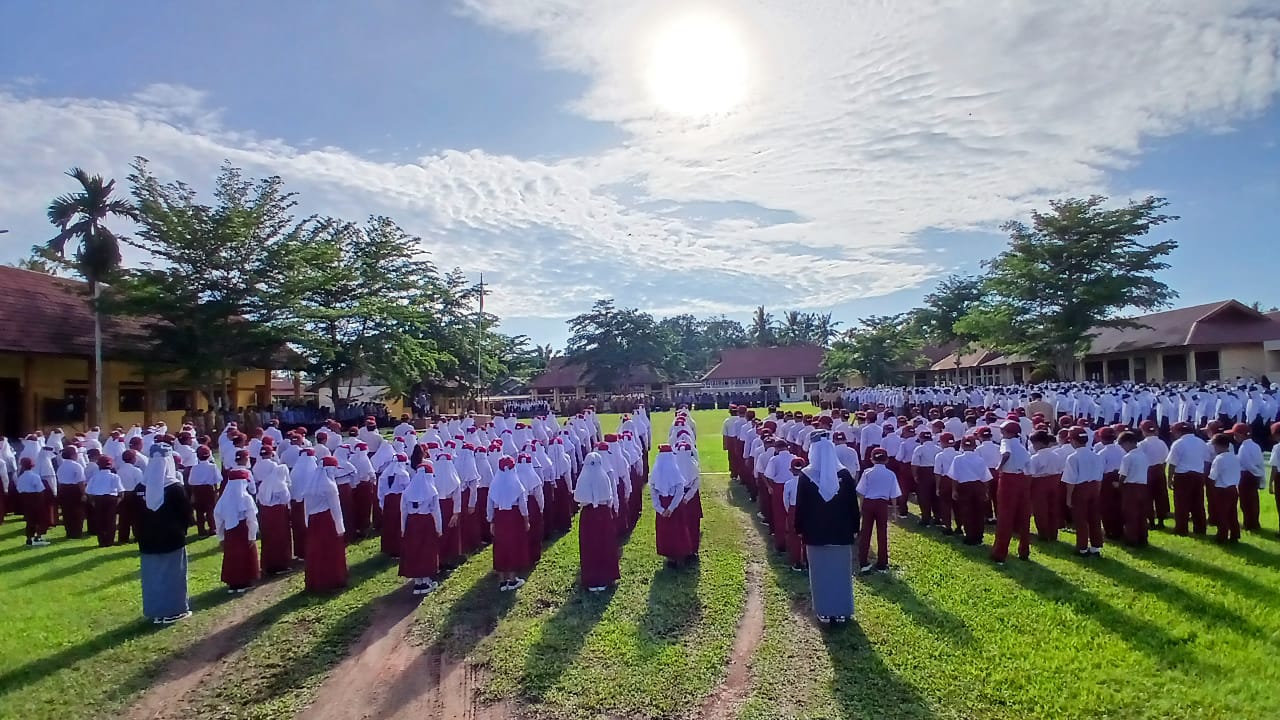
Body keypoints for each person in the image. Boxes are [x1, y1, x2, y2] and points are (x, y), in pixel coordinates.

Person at [794, 431, 860, 624]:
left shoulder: (806, 476)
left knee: (821, 573)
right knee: (841, 573)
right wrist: (855, 528)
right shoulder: (844, 475)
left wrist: (799, 529)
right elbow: (852, 506)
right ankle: (842, 611)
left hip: (816, 534)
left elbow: (801, 507)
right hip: (841, 532)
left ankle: (824, 611)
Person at [136, 444, 193, 624]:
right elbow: (185, 514)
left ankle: (156, 612)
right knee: (173, 575)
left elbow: (133, 514)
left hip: (147, 539)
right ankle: (174, 610)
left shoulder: (140, 487)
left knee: (153, 576)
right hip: (171, 538)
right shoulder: (174, 487)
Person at [575, 448, 620, 592]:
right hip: (603, 515)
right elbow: (609, 498)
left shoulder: (583, 478)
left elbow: (581, 501)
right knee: (604, 543)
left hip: (588, 516)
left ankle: (592, 579)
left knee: (590, 545)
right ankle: (605, 577)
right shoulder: (604, 477)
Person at [991, 421, 1033, 564]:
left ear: (1008, 433)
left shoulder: (1006, 442)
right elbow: (1029, 466)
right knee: (1023, 516)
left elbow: (1006, 453)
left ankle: (1000, 552)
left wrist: (999, 466)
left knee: (1005, 516)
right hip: (1022, 478)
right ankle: (1024, 550)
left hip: (1008, 479)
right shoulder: (1022, 446)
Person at [305, 456, 350, 592]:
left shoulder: (311, 484)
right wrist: (340, 527)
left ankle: (317, 579)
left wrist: (307, 521)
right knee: (330, 550)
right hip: (328, 520)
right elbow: (335, 508)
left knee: (316, 550)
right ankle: (333, 579)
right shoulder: (329, 486)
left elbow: (306, 506)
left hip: (314, 520)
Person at [487, 456, 530, 591]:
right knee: (513, 545)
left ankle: (502, 580)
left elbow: (490, 505)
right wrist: (526, 520)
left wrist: (491, 521)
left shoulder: (494, 484)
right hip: (513, 517)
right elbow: (523, 505)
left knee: (500, 546)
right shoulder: (516, 484)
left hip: (499, 518)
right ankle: (511, 579)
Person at [214, 467, 260, 593]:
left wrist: (221, 536)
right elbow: (251, 518)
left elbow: (218, 517)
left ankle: (233, 583)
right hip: (243, 530)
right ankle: (245, 581)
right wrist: (252, 535)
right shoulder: (245, 498)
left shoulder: (224, 499)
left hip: (230, 531)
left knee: (232, 556)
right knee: (244, 555)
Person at [400, 461, 442, 595]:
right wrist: (439, 528)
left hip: (411, 523)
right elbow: (436, 511)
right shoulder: (432, 490)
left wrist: (403, 528)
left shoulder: (407, 491)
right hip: (426, 522)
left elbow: (403, 511)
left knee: (414, 550)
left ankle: (418, 582)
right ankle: (426, 580)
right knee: (426, 550)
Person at [856, 448, 900, 573]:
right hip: (882, 504)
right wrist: (895, 511)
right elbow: (894, 494)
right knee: (882, 533)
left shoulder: (867, 473)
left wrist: (861, 507)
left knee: (865, 533)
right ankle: (882, 563)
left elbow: (862, 492)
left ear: (871, 459)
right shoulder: (890, 474)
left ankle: (863, 561)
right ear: (886, 460)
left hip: (869, 503)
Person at [1063, 429, 1105, 557]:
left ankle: (1082, 547)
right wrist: (1097, 491)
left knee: (1081, 519)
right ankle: (1096, 547)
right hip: (1093, 486)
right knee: (1094, 518)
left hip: (1080, 488)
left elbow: (1070, 480)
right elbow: (1099, 477)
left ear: (1073, 441)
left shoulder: (1073, 457)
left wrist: (1069, 497)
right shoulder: (1097, 456)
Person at [650, 445, 693, 568]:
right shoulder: (675, 470)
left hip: (664, 505)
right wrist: (671, 508)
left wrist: (660, 509)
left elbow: (653, 492)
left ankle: (673, 556)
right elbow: (679, 491)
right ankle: (676, 556)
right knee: (676, 531)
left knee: (668, 532)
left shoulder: (656, 471)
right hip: (674, 507)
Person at [1167, 422, 1211, 536]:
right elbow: (1206, 461)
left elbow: (1172, 463)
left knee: (1182, 504)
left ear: (1179, 432)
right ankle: (1200, 528)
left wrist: (1169, 479)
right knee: (1198, 503)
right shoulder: (1201, 443)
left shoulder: (1178, 444)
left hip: (1183, 476)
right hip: (1198, 475)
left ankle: (1181, 529)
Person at [947, 437, 991, 546]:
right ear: (974, 446)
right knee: (979, 512)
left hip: (964, 486)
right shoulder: (980, 459)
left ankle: (970, 536)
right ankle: (979, 536)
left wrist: (954, 490)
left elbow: (954, 477)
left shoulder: (958, 459)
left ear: (961, 446)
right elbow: (985, 477)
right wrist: (986, 491)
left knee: (967, 512)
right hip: (977, 486)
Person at [255, 452, 293, 575]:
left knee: (268, 537)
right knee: (280, 537)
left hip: (266, 513)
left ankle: (268, 564)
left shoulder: (266, 482)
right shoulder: (280, 484)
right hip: (278, 512)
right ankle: (281, 564)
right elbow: (286, 499)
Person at [1027, 431, 1064, 541]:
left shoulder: (1035, 458)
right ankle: (1053, 533)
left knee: (1040, 510)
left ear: (1038, 443)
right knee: (1053, 508)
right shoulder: (1056, 455)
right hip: (1054, 481)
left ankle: (1043, 533)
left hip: (1039, 483)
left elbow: (1031, 473)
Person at [1117, 431, 1151, 547]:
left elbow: (1123, 475)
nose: (1123, 448)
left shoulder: (1128, 457)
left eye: (1122, 445)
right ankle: (1143, 537)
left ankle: (1132, 539)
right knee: (1141, 514)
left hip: (1130, 487)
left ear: (1128, 443)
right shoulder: (1143, 455)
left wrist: (1118, 484)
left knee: (1130, 514)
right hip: (1143, 485)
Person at [1207, 433, 1241, 544]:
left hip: (1222, 489)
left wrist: (1211, 490)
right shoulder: (1234, 457)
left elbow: (1213, 476)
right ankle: (1235, 534)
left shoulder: (1219, 459)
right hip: (1233, 488)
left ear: (1218, 445)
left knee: (1221, 513)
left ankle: (1222, 535)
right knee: (1232, 513)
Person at [85, 455, 126, 547]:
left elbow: (88, 491)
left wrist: (93, 502)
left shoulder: (94, 477)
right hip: (111, 499)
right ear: (110, 466)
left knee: (100, 521)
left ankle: (101, 541)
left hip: (98, 499)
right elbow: (121, 491)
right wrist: (118, 501)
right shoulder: (114, 476)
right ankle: (109, 541)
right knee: (111, 521)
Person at [1233, 422, 1265, 531]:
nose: (1234, 437)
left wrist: (1255, 472)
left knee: (1246, 501)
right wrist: (1259, 475)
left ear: (1242, 435)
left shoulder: (1244, 447)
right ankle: (1254, 522)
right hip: (1254, 476)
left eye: (1236, 434)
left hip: (1246, 476)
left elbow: (1246, 464)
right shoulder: (1256, 446)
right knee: (1253, 500)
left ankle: (1249, 523)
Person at [379, 454, 412, 558]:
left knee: (389, 523)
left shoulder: (385, 474)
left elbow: (380, 491)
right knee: (399, 523)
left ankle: (388, 547)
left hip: (388, 500)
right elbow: (407, 490)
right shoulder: (403, 474)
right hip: (399, 499)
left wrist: (382, 503)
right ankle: (398, 548)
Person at [16, 458, 50, 546]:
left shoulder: (20, 477)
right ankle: (38, 537)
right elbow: (40, 489)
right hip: (36, 498)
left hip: (25, 499)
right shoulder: (35, 476)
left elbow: (19, 489)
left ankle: (29, 538)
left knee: (30, 519)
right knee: (39, 519)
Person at [55, 447, 87, 539]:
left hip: (64, 490)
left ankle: (69, 532)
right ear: (73, 455)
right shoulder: (77, 466)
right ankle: (76, 532)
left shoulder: (61, 466)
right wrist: (83, 493)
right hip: (74, 490)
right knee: (77, 512)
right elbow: (80, 481)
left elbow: (60, 481)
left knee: (67, 512)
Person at [783, 457, 807, 572]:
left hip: (793, 508)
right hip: (806, 509)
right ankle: (807, 560)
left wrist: (790, 511)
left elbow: (785, 500)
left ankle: (796, 561)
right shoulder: (809, 482)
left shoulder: (788, 484)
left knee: (794, 536)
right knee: (807, 535)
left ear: (791, 470)